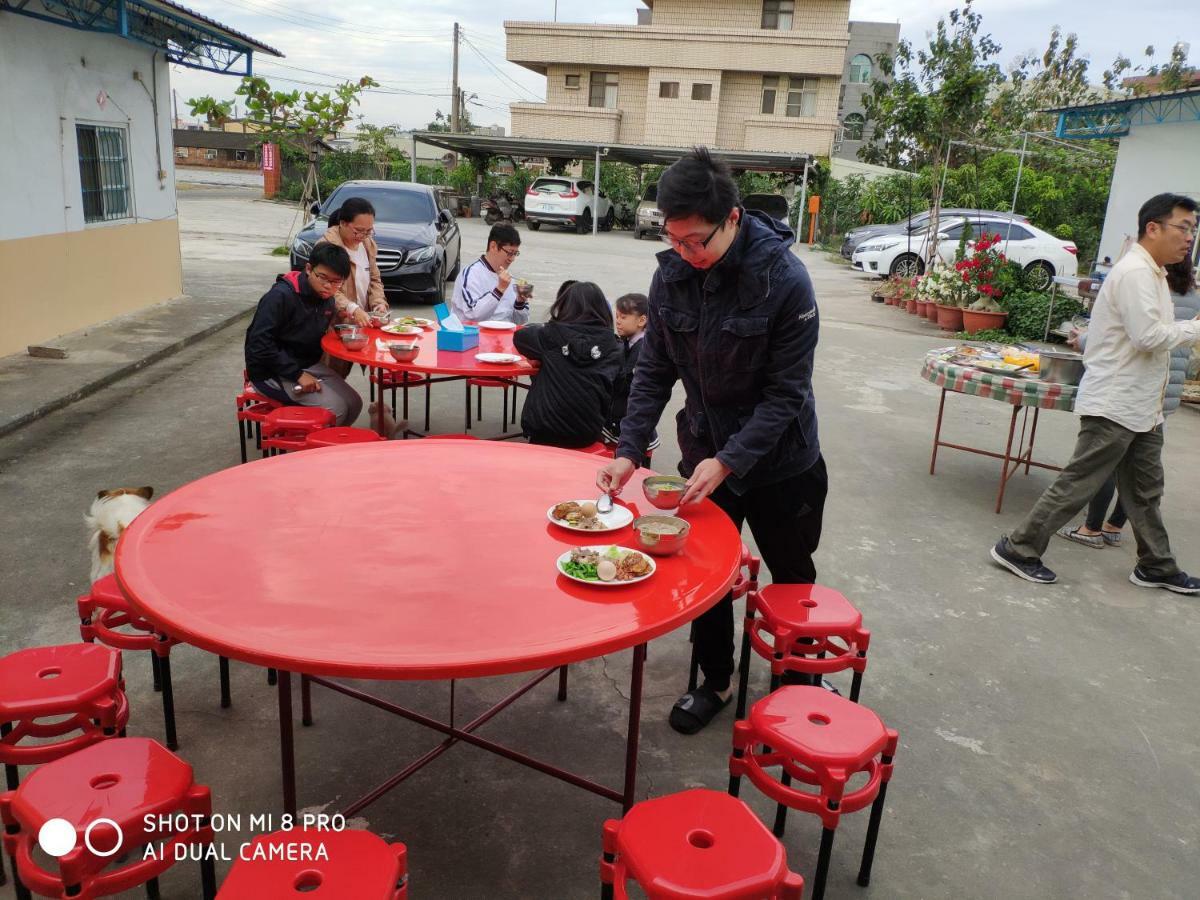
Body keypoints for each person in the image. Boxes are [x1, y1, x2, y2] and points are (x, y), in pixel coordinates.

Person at [596, 147, 825, 735]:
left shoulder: (785, 280)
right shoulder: (671, 272)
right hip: (703, 451)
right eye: (675, 241)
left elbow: (786, 395)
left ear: (732, 218)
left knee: (792, 572)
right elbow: (653, 370)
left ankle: (797, 677)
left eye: (696, 241)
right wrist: (629, 449)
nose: (686, 254)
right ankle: (717, 680)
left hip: (782, 461)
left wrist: (730, 461)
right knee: (707, 575)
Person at [991, 193, 1200, 593]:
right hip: (1116, 404)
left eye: (1193, 229)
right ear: (1152, 228)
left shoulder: (1153, 272)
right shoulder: (1136, 272)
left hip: (1142, 407)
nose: (1190, 237)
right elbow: (1148, 337)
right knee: (1078, 483)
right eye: (1184, 227)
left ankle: (1156, 564)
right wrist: (1196, 328)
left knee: (1144, 491)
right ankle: (1018, 548)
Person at [1058, 255, 1200, 549]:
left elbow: (1132, 337)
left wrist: (1083, 340)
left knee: (1108, 462)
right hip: (1166, 392)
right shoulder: (1191, 294)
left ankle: (1091, 528)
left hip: (1136, 387)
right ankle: (1113, 526)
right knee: (1137, 465)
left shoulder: (1150, 288)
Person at [244, 243, 364, 426]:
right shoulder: (281, 296)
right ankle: (317, 452)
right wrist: (297, 374)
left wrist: (340, 320)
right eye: (322, 277)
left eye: (336, 282)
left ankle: (330, 446)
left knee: (354, 403)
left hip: (306, 364)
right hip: (269, 371)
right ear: (309, 268)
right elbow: (258, 344)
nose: (328, 286)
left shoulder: (327, 300)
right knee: (337, 409)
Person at [512, 282, 620, 448]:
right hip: (587, 432)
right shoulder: (614, 345)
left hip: (543, 430)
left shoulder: (550, 335)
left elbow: (520, 337)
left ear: (564, 307)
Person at [316, 197, 389, 327]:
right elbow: (326, 287)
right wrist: (352, 308)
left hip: (362, 324)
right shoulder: (327, 247)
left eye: (368, 231)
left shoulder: (368, 245)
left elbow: (374, 279)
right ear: (343, 223)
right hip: (335, 325)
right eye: (358, 231)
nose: (363, 236)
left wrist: (378, 303)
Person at [601, 292, 659, 453]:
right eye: (617, 316)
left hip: (631, 422)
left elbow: (626, 383)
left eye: (624, 317)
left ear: (642, 320)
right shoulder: (628, 342)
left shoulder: (643, 349)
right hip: (625, 419)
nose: (618, 322)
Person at [450, 224, 532, 325]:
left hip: (504, 335)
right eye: (510, 253)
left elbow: (520, 322)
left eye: (516, 253)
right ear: (493, 246)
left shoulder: (509, 279)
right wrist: (499, 290)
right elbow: (473, 315)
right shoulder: (471, 274)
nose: (512, 259)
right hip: (474, 336)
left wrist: (520, 302)